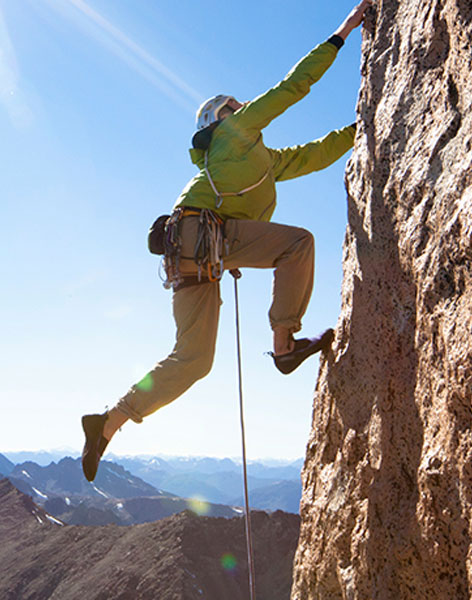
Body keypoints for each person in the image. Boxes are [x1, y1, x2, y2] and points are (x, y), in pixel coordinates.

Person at [82, 0, 371, 482]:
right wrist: (342, 32)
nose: (243, 111)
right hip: (206, 239)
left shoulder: (260, 161)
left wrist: (362, 126)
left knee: (192, 361)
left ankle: (108, 421)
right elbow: (291, 88)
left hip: (191, 250)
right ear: (224, 117)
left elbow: (315, 155)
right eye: (235, 108)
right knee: (297, 244)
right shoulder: (235, 134)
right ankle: (284, 345)